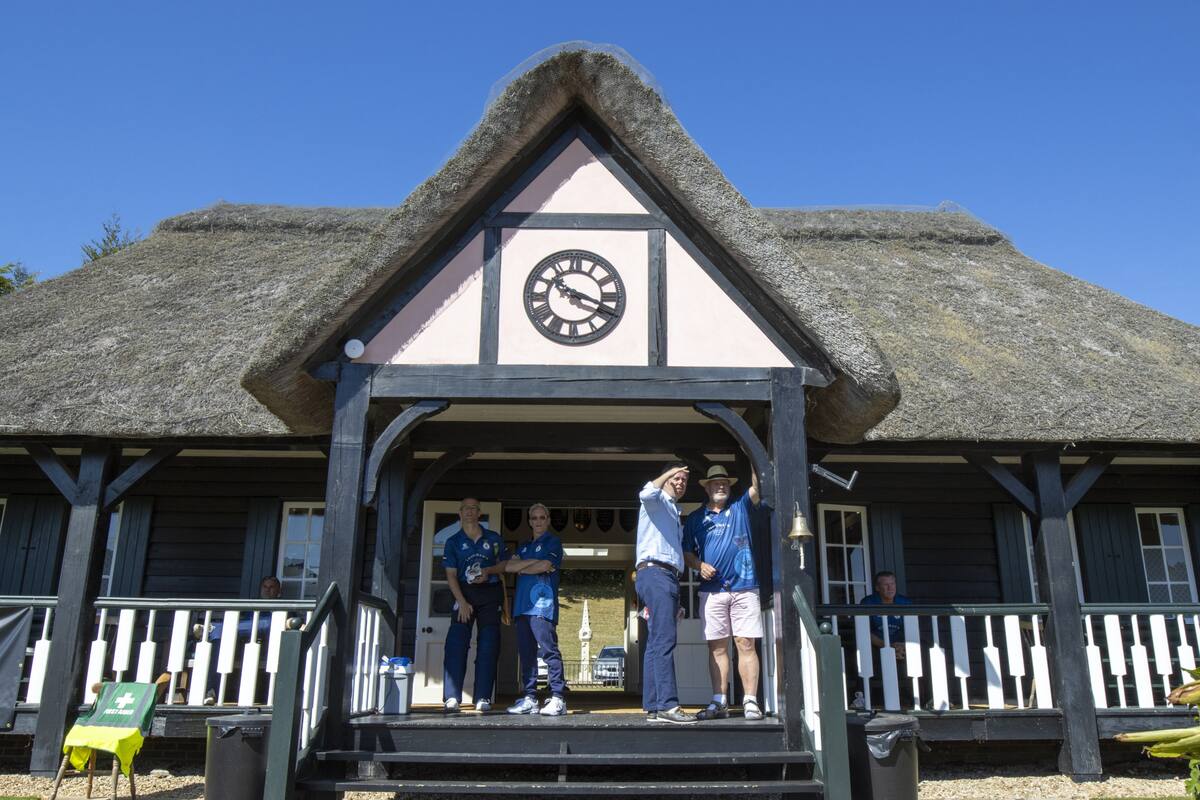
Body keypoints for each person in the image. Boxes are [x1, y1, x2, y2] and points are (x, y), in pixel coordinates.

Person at [683, 464, 764, 721]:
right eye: (716, 483)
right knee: (717, 648)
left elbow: (757, 486)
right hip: (712, 590)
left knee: (746, 643)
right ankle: (719, 701)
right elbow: (686, 553)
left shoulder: (740, 507)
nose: (721, 486)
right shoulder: (696, 518)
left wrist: (753, 454)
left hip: (745, 586)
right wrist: (699, 565)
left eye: (725, 483)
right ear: (706, 488)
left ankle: (750, 700)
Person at [635, 463, 697, 724]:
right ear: (667, 478)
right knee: (665, 640)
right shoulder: (656, 500)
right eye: (676, 477)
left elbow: (673, 554)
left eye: (684, 479)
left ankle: (653, 705)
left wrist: (678, 598)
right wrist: (666, 474)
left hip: (667, 577)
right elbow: (645, 493)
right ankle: (668, 706)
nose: (680, 482)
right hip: (655, 574)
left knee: (655, 642)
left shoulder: (673, 510)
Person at [441, 497, 510, 712]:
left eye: (474, 508)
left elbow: (505, 564)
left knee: (489, 646)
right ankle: (452, 698)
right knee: (456, 644)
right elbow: (451, 575)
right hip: (464, 594)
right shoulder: (453, 541)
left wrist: (488, 572)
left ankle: (482, 697)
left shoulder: (494, 539)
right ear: (460, 514)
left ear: (479, 513)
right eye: (466, 509)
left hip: (490, 593)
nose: (470, 512)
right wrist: (461, 601)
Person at [504, 503, 567, 716]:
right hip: (522, 606)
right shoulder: (522, 546)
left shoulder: (553, 542)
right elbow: (510, 567)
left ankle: (558, 696)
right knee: (527, 654)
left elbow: (545, 565)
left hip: (543, 605)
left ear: (548, 520)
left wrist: (524, 567)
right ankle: (530, 697)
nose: (538, 521)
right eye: (534, 518)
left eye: (542, 517)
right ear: (529, 521)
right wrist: (532, 564)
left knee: (549, 650)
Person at [200, 576, 282, 705]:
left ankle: (210, 629)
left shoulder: (283, 607)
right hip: (241, 647)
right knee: (218, 644)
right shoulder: (253, 606)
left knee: (266, 623)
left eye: (271, 587)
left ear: (278, 591)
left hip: (266, 649)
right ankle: (211, 691)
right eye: (265, 587)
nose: (267, 590)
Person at [860, 571, 912, 659]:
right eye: (886, 585)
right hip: (877, 646)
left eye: (892, 584)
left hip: (901, 647)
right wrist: (888, 646)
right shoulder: (868, 602)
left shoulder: (904, 602)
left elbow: (911, 629)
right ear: (877, 588)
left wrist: (902, 645)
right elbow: (864, 632)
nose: (890, 588)